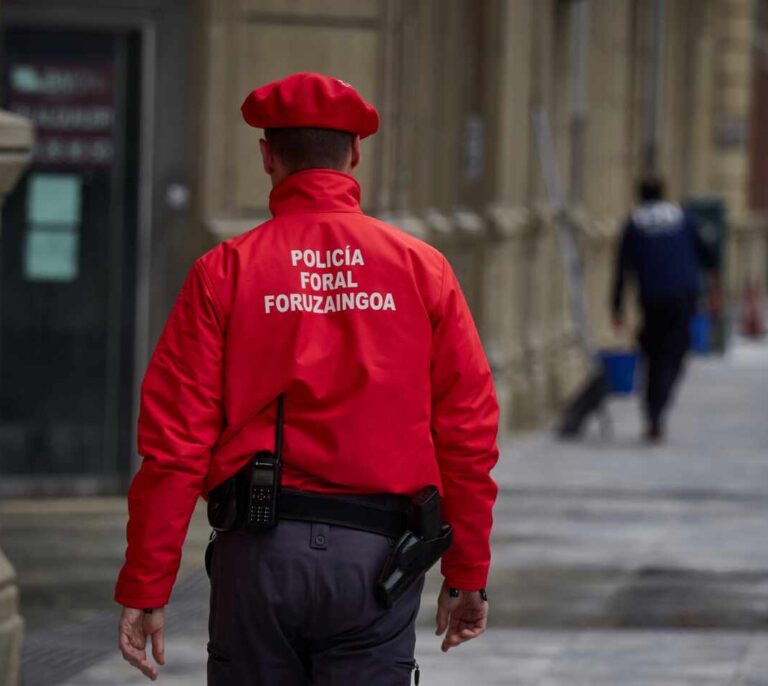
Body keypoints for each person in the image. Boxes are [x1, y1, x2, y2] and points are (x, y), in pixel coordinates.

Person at [115, 72, 499, 684]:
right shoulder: (423, 270)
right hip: (379, 563)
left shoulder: (225, 272)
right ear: (353, 155)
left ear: (267, 155)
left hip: (259, 559)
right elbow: (468, 434)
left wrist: (147, 580)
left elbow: (174, 444)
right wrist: (468, 571)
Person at [612, 175, 714, 442]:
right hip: (683, 297)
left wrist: (617, 307)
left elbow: (622, 269)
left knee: (653, 356)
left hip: (652, 299)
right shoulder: (683, 218)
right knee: (676, 354)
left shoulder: (635, 223)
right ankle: (659, 407)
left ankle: (653, 412)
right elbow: (708, 254)